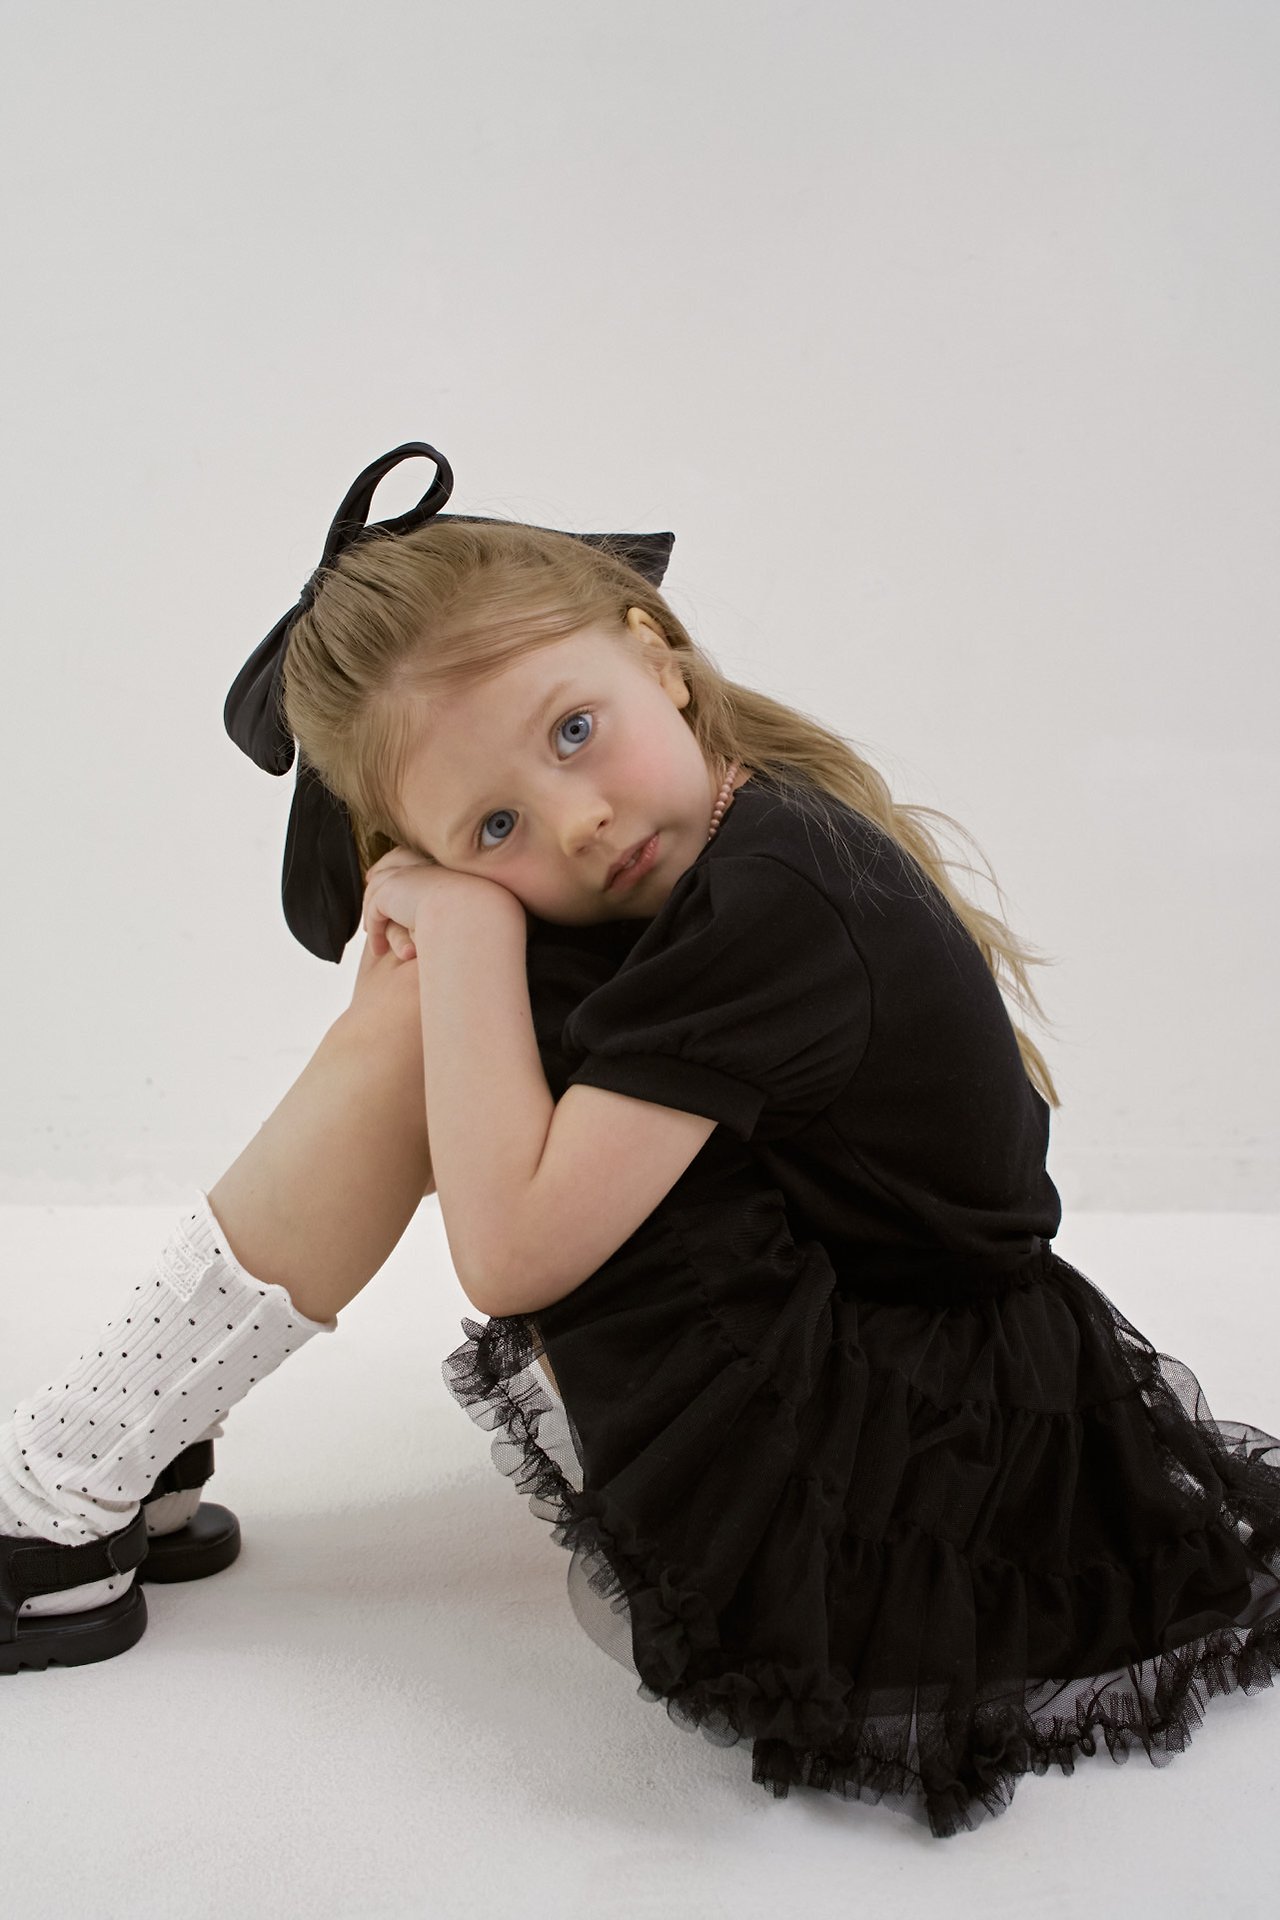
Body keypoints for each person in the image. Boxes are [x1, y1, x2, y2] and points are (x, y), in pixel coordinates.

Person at [2, 445, 1276, 1844]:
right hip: (867, 1314)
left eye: (573, 731)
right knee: (455, 993)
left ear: (656, 656)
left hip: (909, 1474)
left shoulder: (777, 898)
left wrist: (465, 914)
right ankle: (130, 1436)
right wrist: (463, 931)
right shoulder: (727, 834)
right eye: (494, 823)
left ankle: (79, 1472)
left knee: (451, 992)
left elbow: (513, 1256)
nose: (578, 820)